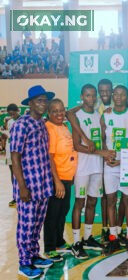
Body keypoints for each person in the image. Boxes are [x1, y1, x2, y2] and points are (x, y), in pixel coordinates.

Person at [11, 85, 55, 278]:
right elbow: (15, 157)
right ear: (30, 103)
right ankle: (24, 263)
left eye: (45, 100)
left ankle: (34, 255)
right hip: (28, 186)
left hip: (42, 185)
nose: (43, 104)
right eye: (39, 100)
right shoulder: (21, 125)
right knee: (26, 225)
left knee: (37, 224)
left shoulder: (42, 124)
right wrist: (22, 187)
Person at [70, 84, 116, 259]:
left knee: (92, 203)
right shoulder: (77, 116)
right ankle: (76, 242)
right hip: (83, 167)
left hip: (97, 166)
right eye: (87, 95)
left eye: (92, 96)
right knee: (79, 203)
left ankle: (88, 238)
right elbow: (77, 145)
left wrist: (103, 154)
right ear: (82, 96)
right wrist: (101, 152)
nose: (90, 99)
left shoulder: (99, 115)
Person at [101, 85, 128, 256]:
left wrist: (122, 160)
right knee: (110, 200)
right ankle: (113, 238)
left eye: (122, 94)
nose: (118, 97)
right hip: (109, 165)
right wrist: (105, 155)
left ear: (127, 96)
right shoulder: (106, 115)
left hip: (127, 164)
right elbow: (102, 140)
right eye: (115, 94)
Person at [43, 99, 78, 262]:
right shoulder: (49, 128)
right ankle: (49, 247)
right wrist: (56, 181)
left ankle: (59, 241)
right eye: (55, 111)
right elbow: (49, 157)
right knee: (52, 214)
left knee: (62, 212)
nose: (59, 114)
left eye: (61, 110)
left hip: (67, 177)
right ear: (48, 113)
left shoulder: (63, 126)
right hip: (56, 179)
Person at [3, 103, 20, 207]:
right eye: (10, 114)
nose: (12, 115)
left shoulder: (22, 121)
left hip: (18, 151)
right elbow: (9, 134)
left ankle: (20, 195)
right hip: (10, 150)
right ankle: (15, 196)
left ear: (18, 111)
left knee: (19, 174)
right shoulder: (9, 122)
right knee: (12, 174)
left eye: (13, 113)